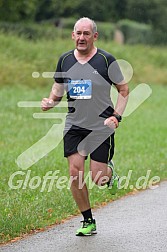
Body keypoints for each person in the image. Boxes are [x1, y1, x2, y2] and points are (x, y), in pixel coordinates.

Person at [41, 17, 129, 236]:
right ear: (73, 35)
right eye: (78, 33)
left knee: (99, 178)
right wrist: (52, 101)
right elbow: (58, 86)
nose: (81, 38)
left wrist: (117, 116)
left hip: (101, 125)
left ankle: (110, 172)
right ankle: (88, 220)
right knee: (74, 171)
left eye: (86, 34)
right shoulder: (65, 60)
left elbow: (124, 90)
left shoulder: (106, 60)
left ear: (94, 36)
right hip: (75, 124)